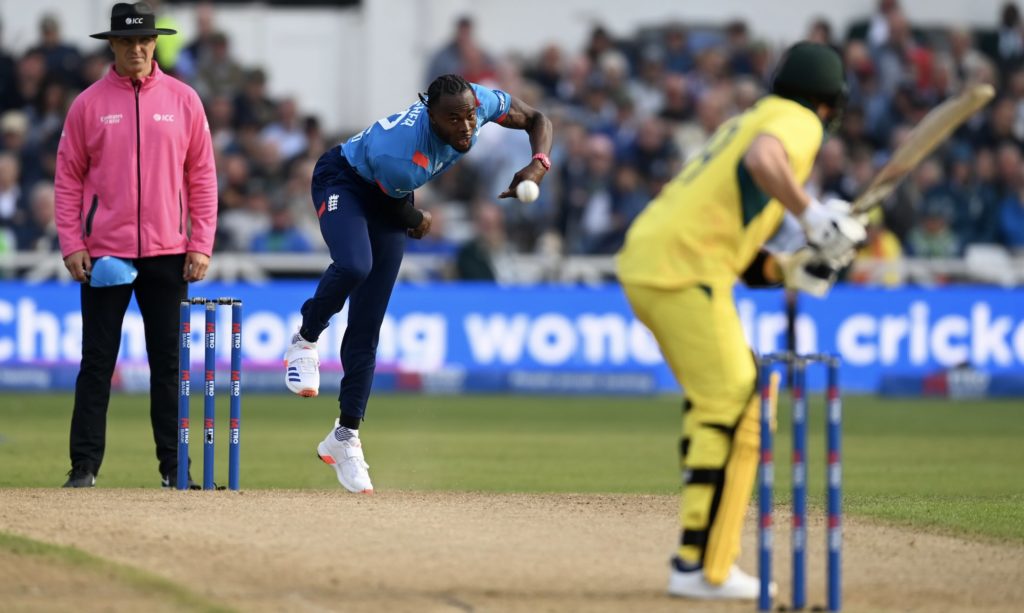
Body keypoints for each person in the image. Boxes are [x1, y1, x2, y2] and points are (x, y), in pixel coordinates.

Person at [615, 42, 866, 600]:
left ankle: (695, 560)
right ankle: (709, 567)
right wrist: (814, 214)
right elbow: (764, 162)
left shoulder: (754, 117)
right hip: (685, 270)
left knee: (721, 403)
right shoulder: (797, 120)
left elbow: (754, 262)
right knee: (745, 403)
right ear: (830, 103)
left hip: (654, 261)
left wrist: (801, 262)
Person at [284, 74, 552, 493]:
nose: (464, 127)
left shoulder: (479, 103)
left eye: (469, 117)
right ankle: (304, 339)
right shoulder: (404, 153)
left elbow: (537, 118)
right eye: (452, 120)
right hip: (346, 181)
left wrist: (537, 164)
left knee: (368, 323)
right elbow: (394, 207)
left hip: (392, 193)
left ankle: (344, 437)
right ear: (431, 117)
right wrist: (421, 219)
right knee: (356, 265)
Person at [54, 2, 217, 488]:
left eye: (144, 40)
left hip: (169, 251)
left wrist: (201, 242)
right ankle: (84, 468)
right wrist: (71, 243)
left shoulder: (185, 99)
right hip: (105, 251)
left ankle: (173, 469)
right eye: (127, 41)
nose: (138, 49)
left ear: (155, 43)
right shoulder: (88, 104)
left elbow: (202, 176)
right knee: (97, 362)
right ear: (113, 45)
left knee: (168, 366)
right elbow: (67, 179)